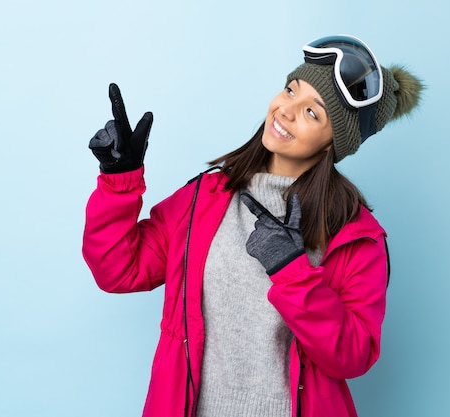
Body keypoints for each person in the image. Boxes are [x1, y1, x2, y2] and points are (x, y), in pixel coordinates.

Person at [82, 35, 423, 417]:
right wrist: (119, 180)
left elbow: (353, 356)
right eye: (291, 90)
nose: (287, 110)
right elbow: (118, 270)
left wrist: (291, 269)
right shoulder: (204, 198)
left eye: (313, 113)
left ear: (333, 143)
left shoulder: (355, 234)